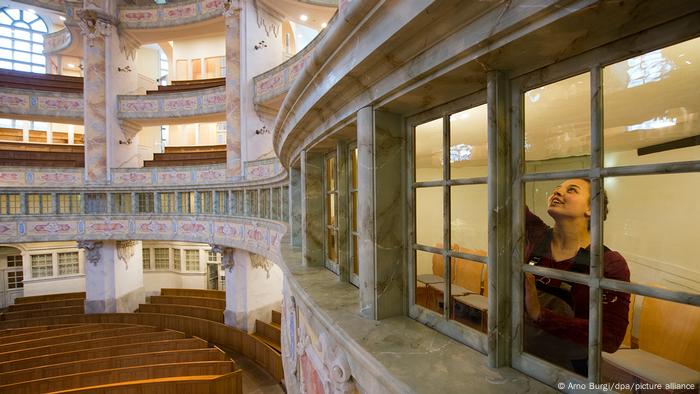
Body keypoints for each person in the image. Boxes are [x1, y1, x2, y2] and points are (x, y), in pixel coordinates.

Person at [523, 178, 630, 376]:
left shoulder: (608, 262)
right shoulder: (537, 236)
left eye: (571, 190)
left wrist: (540, 315)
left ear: (591, 209)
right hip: (521, 356)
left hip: (570, 369)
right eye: (556, 189)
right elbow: (507, 199)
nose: (557, 193)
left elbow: (610, 337)